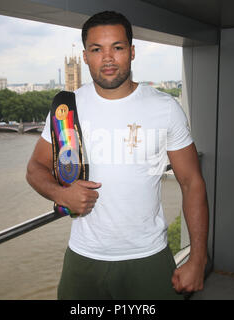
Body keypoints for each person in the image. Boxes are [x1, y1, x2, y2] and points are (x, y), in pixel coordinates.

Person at [26, 11, 209, 300]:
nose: (108, 58)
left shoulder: (165, 107)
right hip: (84, 258)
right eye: (97, 49)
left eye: (118, 48)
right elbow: (36, 167)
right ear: (85, 56)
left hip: (148, 257)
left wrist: (198, 258)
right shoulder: (66, 109)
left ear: (132, 52)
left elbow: (192, 183)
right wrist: (60, 195)